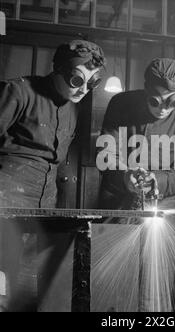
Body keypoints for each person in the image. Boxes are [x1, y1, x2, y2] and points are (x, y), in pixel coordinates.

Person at [0, 39, 106, 311]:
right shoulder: (19, 91)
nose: (83, 90)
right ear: (58, 70)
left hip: (43, 213)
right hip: (5, 210)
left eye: (91, 83)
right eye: (76, 80)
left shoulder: (73, 107)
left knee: (26, 293)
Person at [96, 58, 175, 311]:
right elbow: (105, 154)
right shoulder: (120, 104)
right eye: (156, 100)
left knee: (155, 281)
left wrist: (159, 180)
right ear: (146, 91)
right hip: (120, 205)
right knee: (115, 279)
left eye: (172, 102)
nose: (163, 109)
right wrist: (124, 175)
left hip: (163, 210)